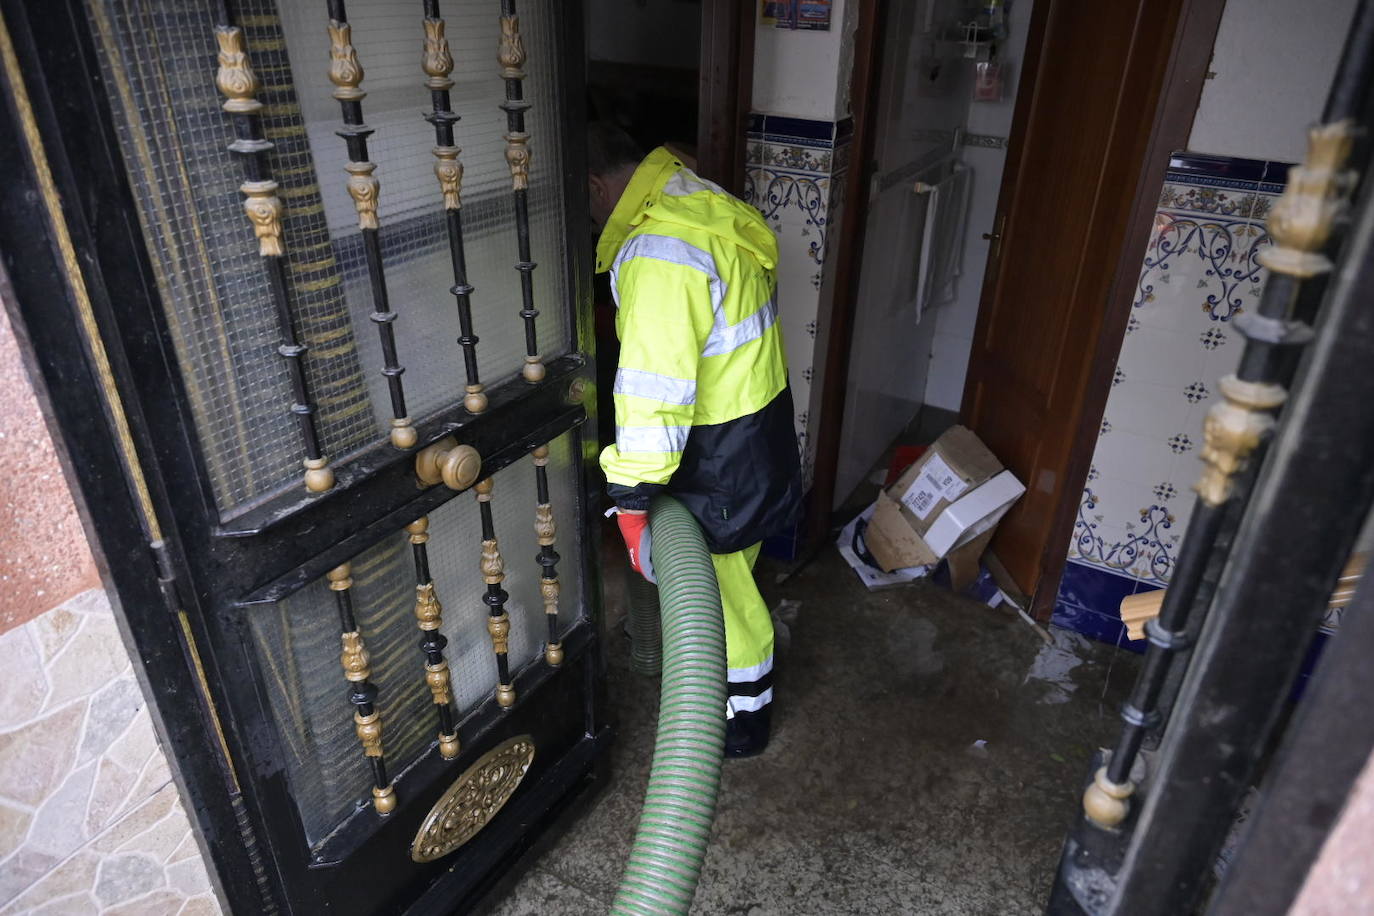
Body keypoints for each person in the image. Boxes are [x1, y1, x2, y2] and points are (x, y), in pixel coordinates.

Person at [588, 122, 801, 758]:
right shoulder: (694, 196)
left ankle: (741, 722)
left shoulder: (660, 252)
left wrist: (630, 500)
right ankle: (729, 691)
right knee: (734, 584)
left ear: (596, 187)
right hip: (754, 436)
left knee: (724, 605)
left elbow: (654, 392)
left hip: (718, 460)